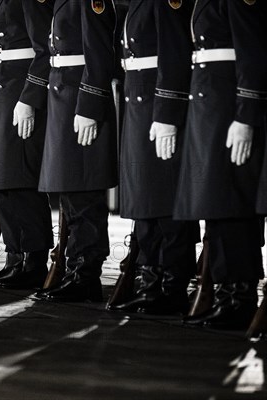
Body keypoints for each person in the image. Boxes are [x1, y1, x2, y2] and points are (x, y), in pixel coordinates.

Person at [176, 0, 267, 330]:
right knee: (215, 205)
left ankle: (239, 299)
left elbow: (252, 50)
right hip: (210, 107)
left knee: (231, 206)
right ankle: (224, 294)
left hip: (228, 109)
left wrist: (246, 115)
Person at [107, 0, 199, 315]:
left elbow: (174, 57)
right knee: (144, 201)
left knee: (165, 202)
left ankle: (173, 287)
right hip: (138, 105)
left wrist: (167, 114)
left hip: (157, 108)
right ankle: (150, 282)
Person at [34, 0, 118, 302]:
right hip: (64, 96)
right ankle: (74, 271)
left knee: (83, 192)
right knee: (70, 193)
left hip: (80, 101)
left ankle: (85, 275)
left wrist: (90, 105)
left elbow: (98, 54)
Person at [0, 0, 53, 290]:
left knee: (20, 179)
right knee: (2, 181)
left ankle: (33, 260)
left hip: (19, 91)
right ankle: (15, 257)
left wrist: (30, 98)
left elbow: (45, 50)